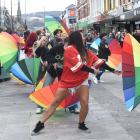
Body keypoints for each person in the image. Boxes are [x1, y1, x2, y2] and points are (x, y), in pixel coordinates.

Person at [31, 31, 121, 135]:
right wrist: (92, 71)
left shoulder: (85, 51)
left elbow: (98, 62)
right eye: (82, 37)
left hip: (81, 80)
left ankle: (81, 123)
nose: (84, 38)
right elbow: (78, 66)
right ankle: (40, 124)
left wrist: (113, 70)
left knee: (85, 104)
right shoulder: (69, 50)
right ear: (77, 39)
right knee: (55, 102)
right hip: (67, 81)